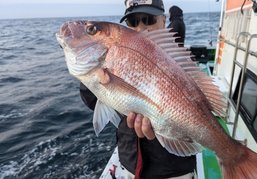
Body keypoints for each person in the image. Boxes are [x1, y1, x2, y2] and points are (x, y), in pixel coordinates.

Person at [80, 0, 197, 178]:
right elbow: (93, 102)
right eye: (132, 22)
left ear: (164, 21)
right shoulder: (118, 58)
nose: (141, 28)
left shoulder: (180, 62)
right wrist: (92, 75)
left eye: (149, 20)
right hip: (129, 161)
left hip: (172, 169)